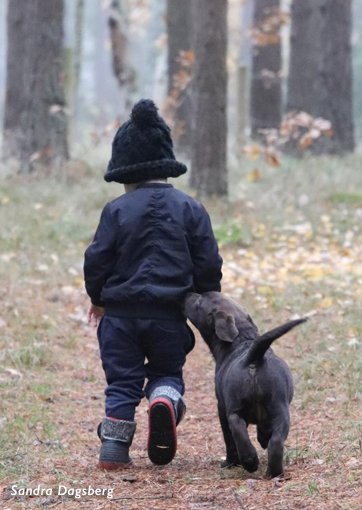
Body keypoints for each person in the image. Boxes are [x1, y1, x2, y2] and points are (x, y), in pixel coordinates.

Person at [84, 99, 222, 470]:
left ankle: (113, 447)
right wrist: (207, 297)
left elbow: (97, 259)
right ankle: (164, 401)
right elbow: (208, 262)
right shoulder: (191, 209)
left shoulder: (115, 211)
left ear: (125, 173)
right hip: (168, 317)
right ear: (165, 167)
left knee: (122, 382)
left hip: (120, 318)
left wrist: (98, 298)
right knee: (166, 372)